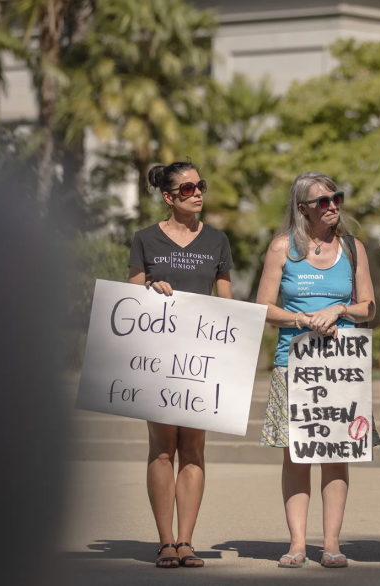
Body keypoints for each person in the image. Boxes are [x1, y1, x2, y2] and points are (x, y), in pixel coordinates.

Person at [255, 172, 376, 568]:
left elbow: (369, 308)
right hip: (295, 364)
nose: (332, 206)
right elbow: (264, 309)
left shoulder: (353, 249)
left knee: (337, 452)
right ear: (302, 208)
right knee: (297, 454)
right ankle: (296, 543)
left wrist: (339, 309)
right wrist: (303, 320)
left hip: (342, 366)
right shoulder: (281, 249)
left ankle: (332, 544)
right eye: (322, 201)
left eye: (336, 198)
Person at [127, 161, 234, 568]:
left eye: (200, 186)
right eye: (187, 189)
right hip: (157, 357)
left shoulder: (217, 240)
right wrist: (152, 288)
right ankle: (165, 541)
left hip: (202, 359)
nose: (197, 193)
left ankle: (187, 541)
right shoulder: (145, 239)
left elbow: (226, 302)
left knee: (193, 448)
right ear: (168, 197)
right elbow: (131, 298)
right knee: (161, 450)